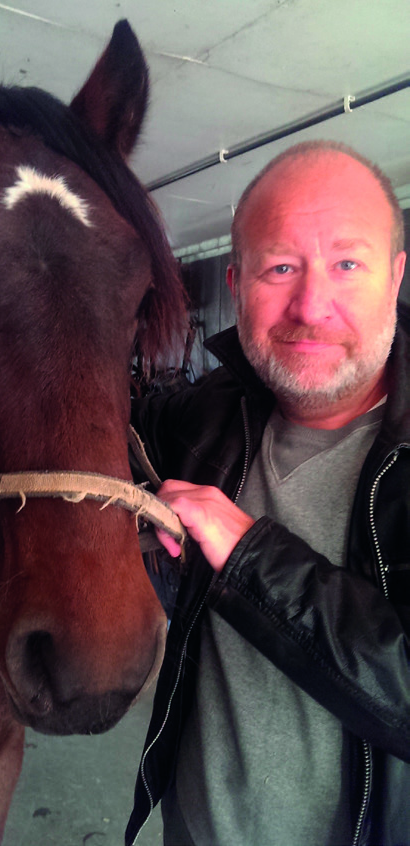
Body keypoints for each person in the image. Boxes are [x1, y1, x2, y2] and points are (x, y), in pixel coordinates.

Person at [125, 140, 410, 846]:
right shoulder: (208, 414)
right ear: (237, 280)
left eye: (347, 264)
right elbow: (93, 439)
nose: (311, 306)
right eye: (280, 267)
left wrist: (247, 555)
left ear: (397, 274)